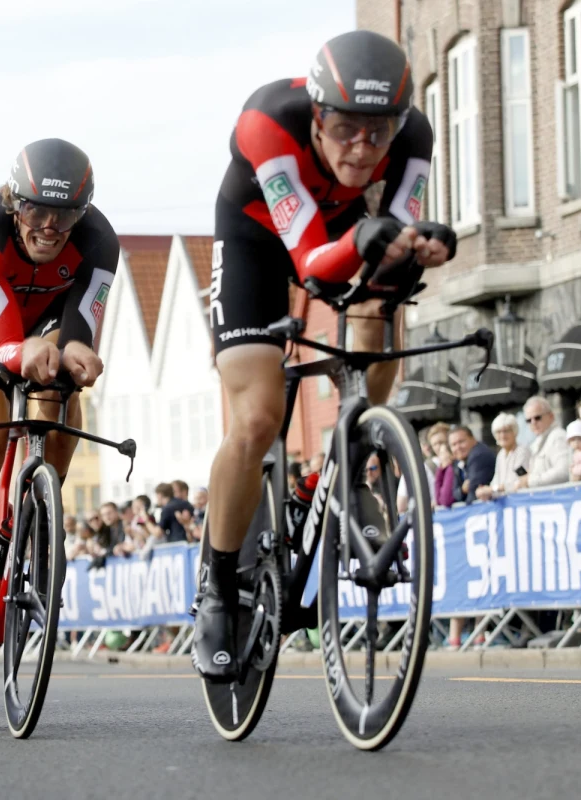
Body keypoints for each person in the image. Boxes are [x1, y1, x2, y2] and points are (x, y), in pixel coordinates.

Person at [196, 30, 458, 681]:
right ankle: (218, 586)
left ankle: (356, 451)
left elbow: (399, 231)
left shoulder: (415, 135)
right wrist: (379, 236)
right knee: (257, 418)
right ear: (317, 115)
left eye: (379, 132)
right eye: (345, 129)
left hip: (348, 232)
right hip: (260, 237)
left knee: (382, 301)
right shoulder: (268, 122)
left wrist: (424, 243)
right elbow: (312, 261)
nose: (363, 148)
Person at [0, 138, 120, 686]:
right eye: (37, 211)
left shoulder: (100, 240)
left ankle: (36, 512)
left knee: (63, 389)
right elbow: (5, 330)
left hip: (49, 321)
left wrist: (79, 353)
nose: (50, 227)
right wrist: (21, 353)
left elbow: (83, 324)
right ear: (15, 203)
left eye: (65, 216)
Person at [516, 397, 569, 489]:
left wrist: (530, 481)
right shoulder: (536, 442)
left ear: (551, 416)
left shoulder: (558, 436)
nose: (533, 422)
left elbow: (564, 472)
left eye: (537, 418)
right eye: (528, 420)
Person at [475, 413, 530, 501]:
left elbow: (521, 480)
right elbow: (496, 480)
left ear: (514, 432)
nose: (502, 435)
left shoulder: (521, 452)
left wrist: (493, 489)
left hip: (520, 500)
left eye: (506, 431)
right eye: (499, 432)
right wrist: (484, 490)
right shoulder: (501, 455)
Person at [447, 425, 495, 504]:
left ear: (473, 439)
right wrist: (462, 490)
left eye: (461, 442)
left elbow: (473, 493)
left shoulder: (478, 455)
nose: (458, 447)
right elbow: (454, 495)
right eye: (454, 445)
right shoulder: (458, 461)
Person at [429, 423, 456, 509]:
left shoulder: (456, 464)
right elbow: (438, 499)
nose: (438, 447)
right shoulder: (441, 466)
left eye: (441, 442)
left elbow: (445, 499)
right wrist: (442, 469)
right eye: (434, 444)